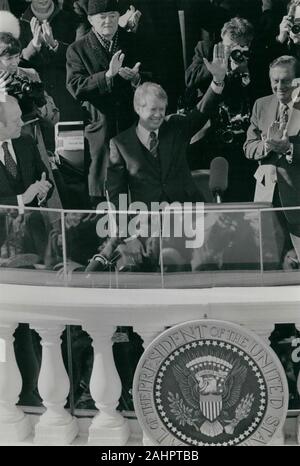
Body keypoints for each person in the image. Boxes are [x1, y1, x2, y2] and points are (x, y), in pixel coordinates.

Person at [106, 43, 227, 208]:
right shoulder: (120, 144)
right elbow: (116, 192)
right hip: (148, 220)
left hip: (188, 212)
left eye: (162, 109)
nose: (158, 115)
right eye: (153, 109)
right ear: (138, 108)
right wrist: (120, 228)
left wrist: (218, 80)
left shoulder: (175, 127)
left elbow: (201, 112)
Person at [66, 0, 146, 205]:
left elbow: (155, 77)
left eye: (112, 15)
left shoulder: (135, 42)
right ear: (91, 19)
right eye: (102, 17)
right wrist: (107, 76)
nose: (108, 21)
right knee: (103, 191)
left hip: (132, 125)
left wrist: (136, 79)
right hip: (100, 128)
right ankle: (108, 235)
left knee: (139, 185)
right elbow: (76, 86)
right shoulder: (77, 49)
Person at [185, 16, 271, 201]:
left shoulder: (255, 56)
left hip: (242, 132)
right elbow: (189, 79)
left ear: (248, 45)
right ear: (222, 39)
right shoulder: (207, 48)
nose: (232, 52)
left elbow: (263, 92)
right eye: (228, 46)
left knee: (242, 190)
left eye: (238, 48)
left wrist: (245, 73)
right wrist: (216, 70)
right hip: (211, 128)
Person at [244, 55, 300, 262]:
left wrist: (290, 148)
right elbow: (248, 147)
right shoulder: (261, 105)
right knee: (268, 260)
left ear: (297, 81)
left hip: (297, 197)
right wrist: (266, 145)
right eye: (274, 81)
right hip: (266, 196)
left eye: (285, 80)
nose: (279, 86)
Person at [19, 0, 81, 121]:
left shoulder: (72, 20)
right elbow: (14, 66)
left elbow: (80, 58)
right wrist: (34, 46)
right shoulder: (18, 24)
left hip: (67, 102)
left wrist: (54, 45)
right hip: (35, 108)